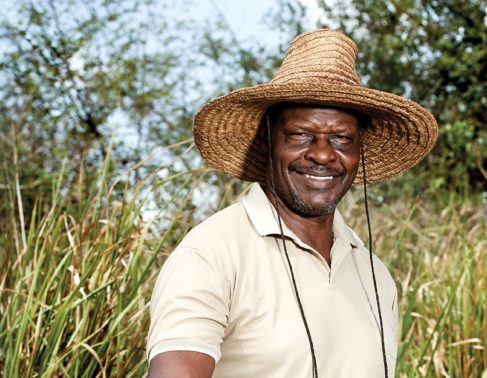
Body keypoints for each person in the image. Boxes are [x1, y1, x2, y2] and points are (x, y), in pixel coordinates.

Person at [146, 29, 437, 377]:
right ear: (268, 141)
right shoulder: (213, 252)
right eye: (300, 135)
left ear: (359, 152)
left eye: (342, 139)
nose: (323, 154)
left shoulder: (375, 274)